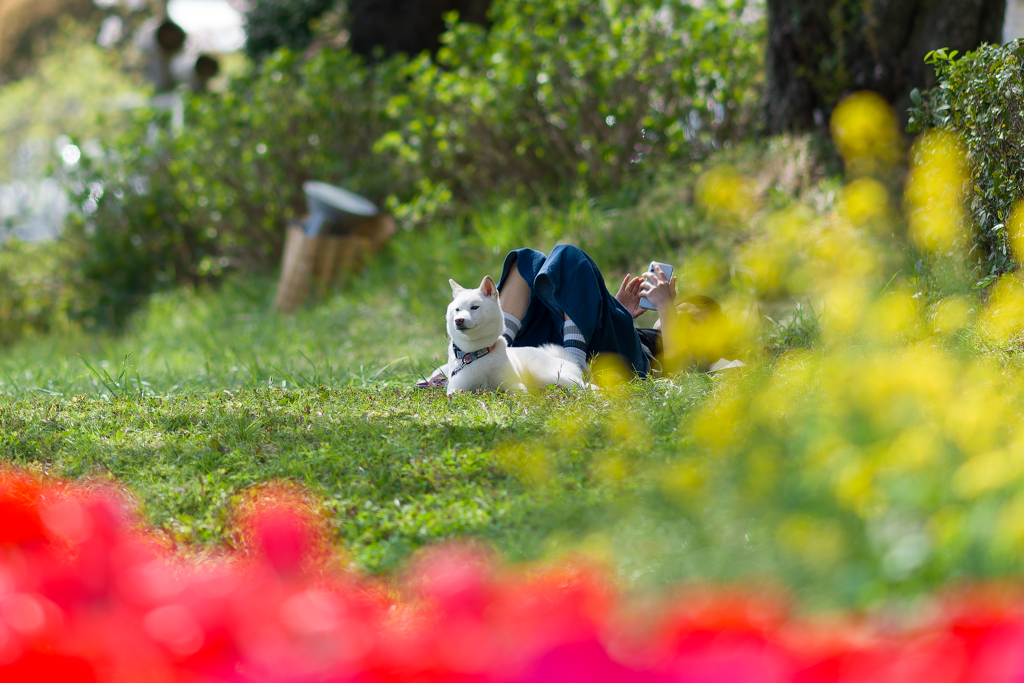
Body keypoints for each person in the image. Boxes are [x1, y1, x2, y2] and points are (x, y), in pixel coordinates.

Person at [416, 244, 697, 389]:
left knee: (568, 255)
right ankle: (489, 353)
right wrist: (617, 307)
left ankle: (572, 367)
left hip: (628, 366)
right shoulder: (637, 331)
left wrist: (667, 308)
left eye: (693, 318)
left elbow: (677, 368)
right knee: (526, 260)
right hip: (580, 347)